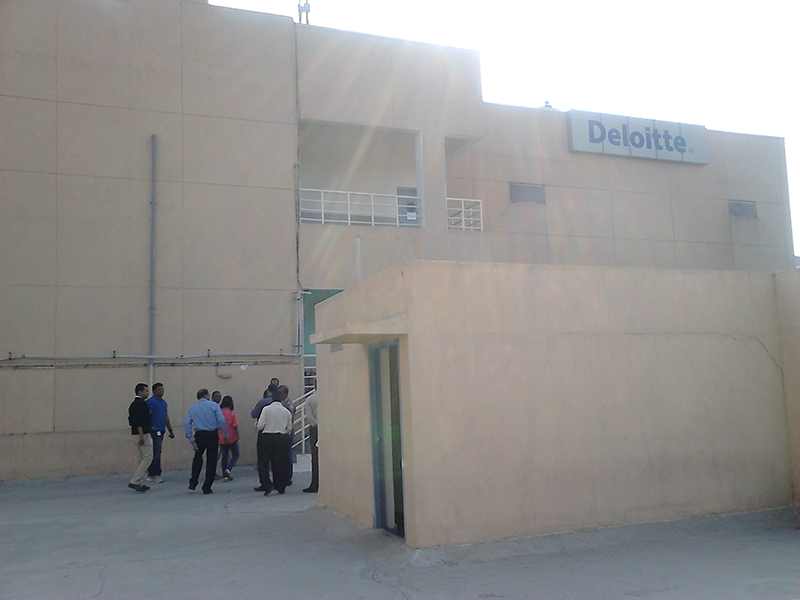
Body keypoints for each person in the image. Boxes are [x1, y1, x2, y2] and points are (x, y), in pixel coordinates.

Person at [185, 388, 228, 495]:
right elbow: (221, 420)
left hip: (199, 434)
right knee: (212, 460)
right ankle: (207, 486)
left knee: (197, 458)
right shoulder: (214, 405)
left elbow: (187, 423)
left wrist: (191, 438)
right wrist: (225, 433)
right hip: (212, 434)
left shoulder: (193, 408)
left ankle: (193, 481)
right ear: (206, 395)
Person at [254, 393, 292, 495]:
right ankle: (280, 486)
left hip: (267, 437)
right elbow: (289, 428)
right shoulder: (286, 411)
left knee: (264, 462)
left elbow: (260, 425)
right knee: (280, 462)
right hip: (281, 438)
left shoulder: (266, 409)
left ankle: (267, 485)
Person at [146, 382, 174, 483]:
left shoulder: (164, 403)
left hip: (161, 430)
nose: (162, 391)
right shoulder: (151, 402)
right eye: (159, 389)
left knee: (157, 451)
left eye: (162, 389)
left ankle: (152, 472)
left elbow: (166, 417)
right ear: (154, 391)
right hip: (154, 430)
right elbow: (147, 416)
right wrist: (150, 428)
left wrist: (170, 429)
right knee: (156, 452)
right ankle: (156, 474)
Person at [127, 383, 152, 493]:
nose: (148, 393)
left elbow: (131, 420)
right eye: (146, 391)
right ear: (140, 392)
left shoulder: (133, 404)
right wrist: (141, 435)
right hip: (142, 434)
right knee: (148, 456)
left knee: (139, 457)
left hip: (135, 434)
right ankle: (135, 480)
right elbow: (139, 420)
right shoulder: (140, 404)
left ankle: (138, 482)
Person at [277, 385, 296, 485]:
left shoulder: (289, 404)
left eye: (280, 393)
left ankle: (288, 477)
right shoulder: (280, 404)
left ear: (285, 393)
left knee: (287, 455)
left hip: (287, 431)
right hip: (281, 431)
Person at [219, 395, 239, 481]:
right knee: (236, 454)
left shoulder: (219, 413)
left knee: (224, 456)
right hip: (232, 437)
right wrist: (238, 437)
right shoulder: (232, 413)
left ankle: (224, 474)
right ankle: (229, 469)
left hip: (221, 437)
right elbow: (235, 426)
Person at [303, 389, 319, 493]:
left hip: (315, 428)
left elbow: (309, 416)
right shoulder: (328, 397)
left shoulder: (310, 399)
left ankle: (315, 483)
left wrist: (316, 424)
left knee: (315, 456)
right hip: (328, 426)